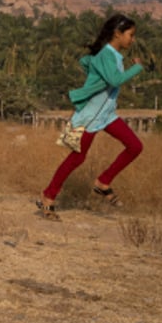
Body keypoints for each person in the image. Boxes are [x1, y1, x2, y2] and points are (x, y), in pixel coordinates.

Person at [36, 14, 145, 220]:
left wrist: (93, 72)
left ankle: (103, 182)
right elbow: (115, 79)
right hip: (90, 117)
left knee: (135, 147)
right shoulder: (107, 54)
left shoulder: (113, 55)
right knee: (76, 158)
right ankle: (48, 198)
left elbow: (86, 62)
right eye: (131, 35)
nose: (133, 39)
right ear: (118, 34)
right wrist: (137, 67)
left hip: (107, 115)